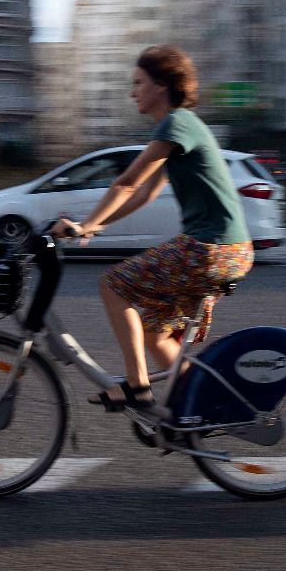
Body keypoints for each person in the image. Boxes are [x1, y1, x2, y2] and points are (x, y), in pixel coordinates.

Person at [50, 45, 253, 413]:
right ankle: (202, 407)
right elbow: (144, 193)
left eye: (138, 83)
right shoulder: (180, 128)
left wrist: (85, 225)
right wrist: (96, 226)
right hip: (227, 249)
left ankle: (137, 388)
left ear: (161, 85)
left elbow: (126, 182)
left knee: (113, 285)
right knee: (154, 335)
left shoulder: (177, 123)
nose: (133, 92)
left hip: (212, 248)